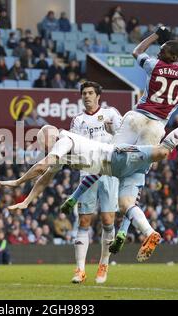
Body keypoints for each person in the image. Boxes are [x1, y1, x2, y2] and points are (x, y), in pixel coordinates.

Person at [63, 26, 178, 257]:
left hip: (137, 118)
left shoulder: (154, 65)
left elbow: (136, 51)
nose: (159, 52)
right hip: (157, 127)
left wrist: (155, 35)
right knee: (131, 186)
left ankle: (74, 196)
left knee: (107, 158)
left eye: (162, 50)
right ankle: (136, 230)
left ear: (166, 54)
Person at [0, 104, 178, 263]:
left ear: (49, 137)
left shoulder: (63, 139)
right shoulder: (62, 153)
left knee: (163, 151)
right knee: (127, 204)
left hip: (117, 158)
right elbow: (45, 177)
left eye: (43, 144)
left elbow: (41, 166)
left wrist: (18, 182)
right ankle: (149, 233)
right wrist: (27, 201)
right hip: (121, 170)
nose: (44, 148)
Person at [65, 81, 121, 284]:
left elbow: (125, 138)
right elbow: (74, 145)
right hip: (87, 173)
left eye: (90, 93)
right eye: (84, 93)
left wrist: (114, 132)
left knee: (108, 220)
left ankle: (103, 264)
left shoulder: (111, 114)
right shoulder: (78, 121)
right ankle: (80, 270)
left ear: (98, 96)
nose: (86, 96)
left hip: (109, 173)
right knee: (84, 221)